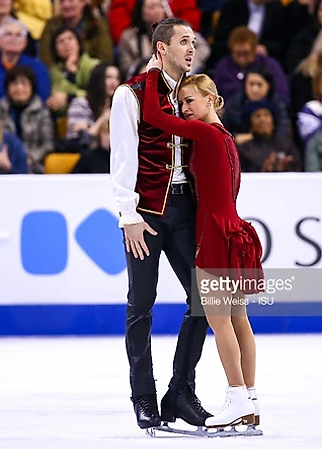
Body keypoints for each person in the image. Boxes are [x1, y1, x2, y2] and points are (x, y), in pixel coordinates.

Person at [143, 53, 264, 428]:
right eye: (182, 102)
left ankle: (236, 397)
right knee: (239, 321)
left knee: (220, 321)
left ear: (211, 100)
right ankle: (251, 404)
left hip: (215, 235)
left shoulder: (207, 133)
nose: (184, 109)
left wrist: (151, 76)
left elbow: (154, 118)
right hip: (234, 231)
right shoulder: (225, 137)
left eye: (190, 101)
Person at [109, 18, 211, 430]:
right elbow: (122, 159)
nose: (192, 47)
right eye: (184, 41)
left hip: (187, 211)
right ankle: (144, 398)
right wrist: (128, 214)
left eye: (194, 41)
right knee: (141, 305)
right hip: (147, 214)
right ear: (161, 48)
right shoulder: (130, 94)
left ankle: (180, 392)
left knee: (208, 298)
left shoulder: (192, 93)